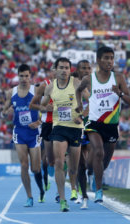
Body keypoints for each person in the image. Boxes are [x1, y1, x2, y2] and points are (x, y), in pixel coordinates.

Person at [75, 46, 130, 203]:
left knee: (105, 160)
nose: (109, 61)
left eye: (111, 58)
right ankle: (98, 190)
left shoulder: (118, 78)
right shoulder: (89, 79)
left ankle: (93, 174)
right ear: (98, 60)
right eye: (106, 58)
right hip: (94, 123)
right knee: (98, 151)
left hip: (111, 125)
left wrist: (119, 93)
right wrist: (79, 105)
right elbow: (79, 90)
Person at [40, 57, 88, 212]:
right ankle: (62, 199)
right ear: (55, 69)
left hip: (75, 128)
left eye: (67, 68)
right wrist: (45, 108)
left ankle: (74, 187)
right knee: (59, 163)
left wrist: (82, 116)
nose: (64, 70)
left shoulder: (76, 83)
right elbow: (41, 105)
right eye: (61, 67)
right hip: (58, 127)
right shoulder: (50, 87)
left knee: (73, 168)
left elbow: (92, 100)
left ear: (70, 70)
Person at [2, 64, 44, 207]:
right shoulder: (10, 92)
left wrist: (39, 122)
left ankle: (41, 187)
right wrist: (5, 111)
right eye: (21, 76)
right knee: (24, 165)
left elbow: (46, 109)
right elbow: (5, 109)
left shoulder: (37, 90)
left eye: (27, 76)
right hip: (19, 131)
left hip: (34, 133)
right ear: (17, 76)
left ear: (30, 76)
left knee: (35, 168)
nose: (24, 79)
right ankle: (29, 196)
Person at [72, 60, 92, 209]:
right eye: (83, 68)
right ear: (77, 70)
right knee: (79, 164)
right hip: (71, 126)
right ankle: (82, 194)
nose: (86, 70)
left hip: (87, 125)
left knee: (89, 161)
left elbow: (92, 101)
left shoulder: (91, 83)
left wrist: (83, 116)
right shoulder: (73, 82)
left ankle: (89, 180)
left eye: (88, 68)